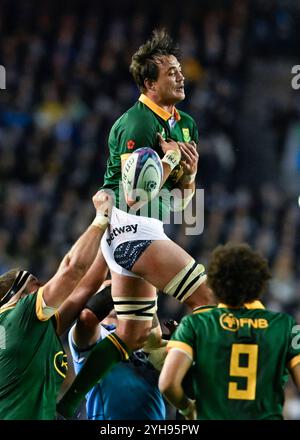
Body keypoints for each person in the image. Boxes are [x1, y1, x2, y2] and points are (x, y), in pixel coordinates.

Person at [57, 28, 213, 417]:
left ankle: (69, 402)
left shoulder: (186, 124)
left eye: (180, 70)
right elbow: (134, 195)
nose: (180, 77)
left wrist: (188, 176)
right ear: (149, 83)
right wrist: (170, 161)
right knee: (208, 301)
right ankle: (203, 397)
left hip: (145, 230)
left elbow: (179, 202)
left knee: (133, 333)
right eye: (171, 73)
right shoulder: (135, 124)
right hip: (131, 229)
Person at [0, 190, 110, 420]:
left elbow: (85, 285)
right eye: (35, 284)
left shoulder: (30, 333)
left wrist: (114, 230)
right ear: (16, 296)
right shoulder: (18, 317)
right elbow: (72, 270)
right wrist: (101, 218)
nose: (43, 288)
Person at [159, 243, 300, 420]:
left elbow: (167, 384)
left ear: (215, 283)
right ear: (260, 281)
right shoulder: (286, 326)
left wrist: (188, 410)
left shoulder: (195, 324)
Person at [68, 280, 167, 420]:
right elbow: (87, 320)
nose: (117, 297)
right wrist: (124, 285)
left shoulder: (147, 339)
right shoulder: (96, 336)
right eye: (106, 293)